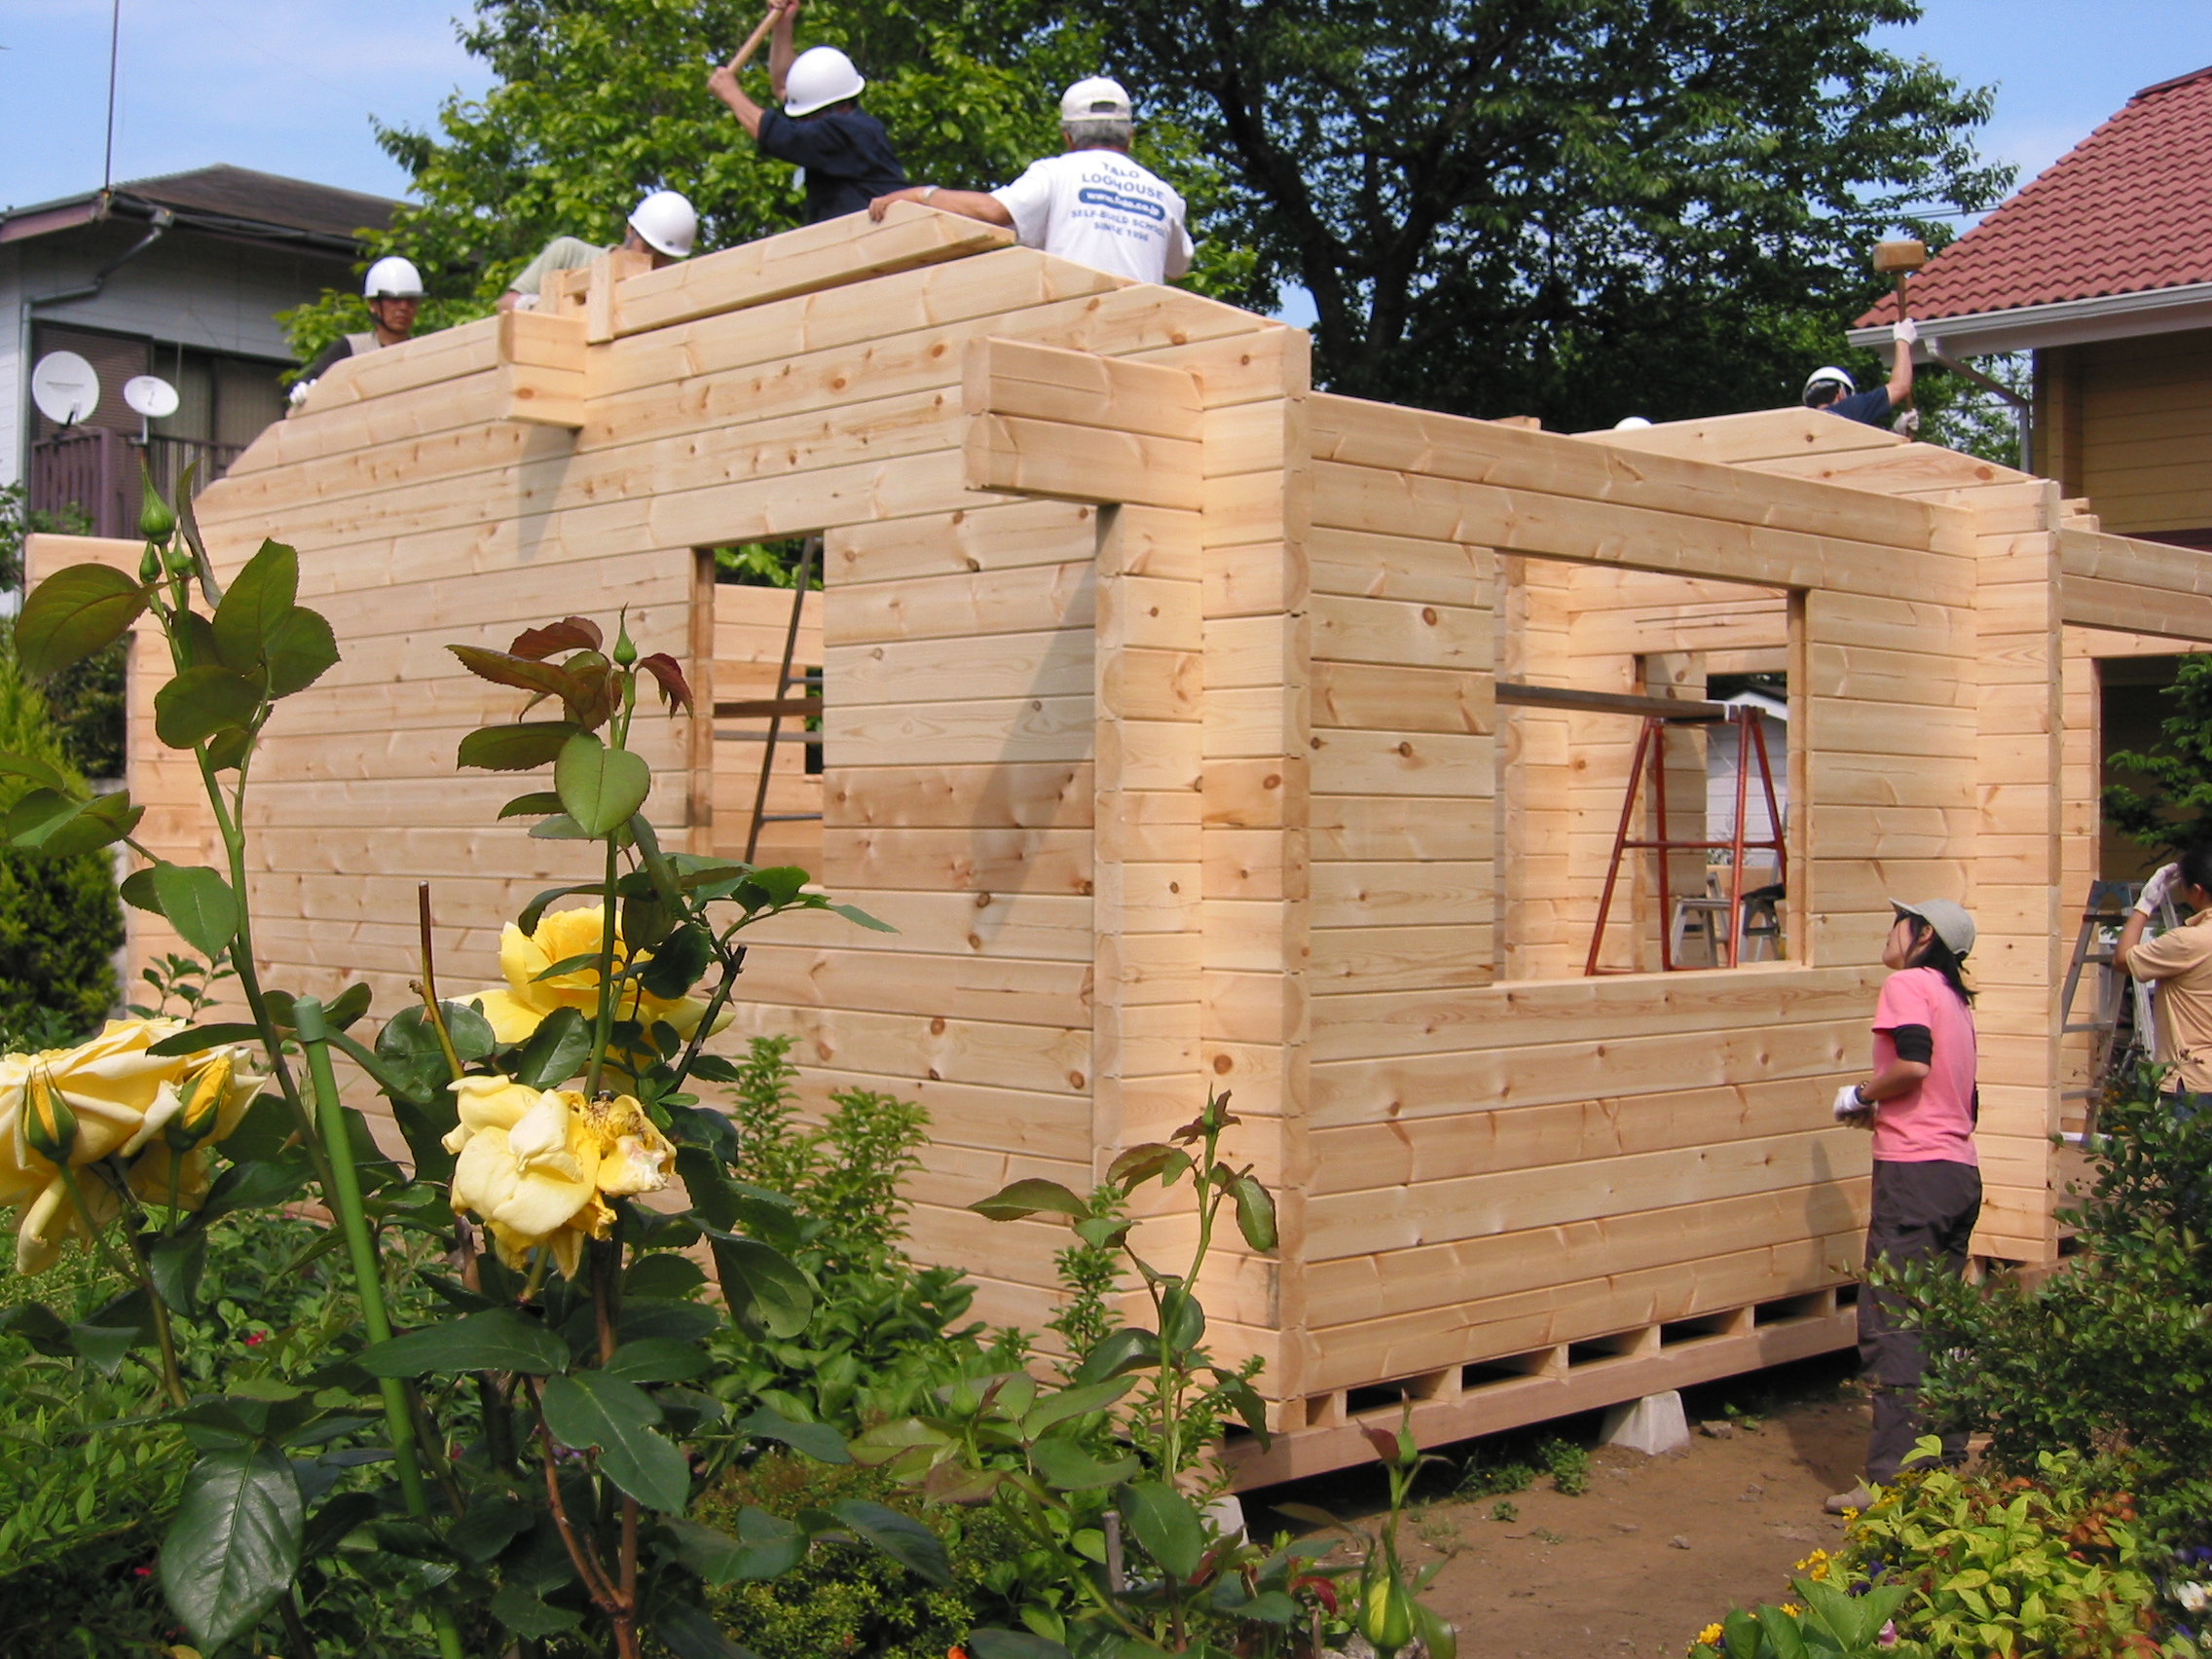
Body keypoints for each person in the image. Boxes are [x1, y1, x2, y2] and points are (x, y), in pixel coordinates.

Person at [1824, 897, 1981, 1515]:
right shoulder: (1956, 1002)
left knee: (1894, 1325)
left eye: (1900, 921)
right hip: (1957, 1175)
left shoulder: (1908, 985)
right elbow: (1963, 1101)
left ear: (1923, 935)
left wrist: (1861, 1094)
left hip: (1914, 1177)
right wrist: (1884, 1112)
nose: (1890, 931)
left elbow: (1913, 1064)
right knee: (1938, 1321)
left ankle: (1890, 1484)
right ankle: (1943, 1463)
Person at [867, 76, 1194, 286]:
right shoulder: (1165, 195)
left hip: (1072, 329)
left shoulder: (1057, 173)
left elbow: (992, 211)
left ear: (1067, 137)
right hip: (1143, 339)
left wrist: (922, 194)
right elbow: (1178, 266)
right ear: (1130, 137)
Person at [707, 2, 906, 223]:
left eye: (806, 116)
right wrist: (782, 25)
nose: (802, 122)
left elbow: (778, 135)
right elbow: (783, 85)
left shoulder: (846, 132)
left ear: (828, 109)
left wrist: (732, 94)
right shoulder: (846, 124)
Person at [497, 190, 698, 313]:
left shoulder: (663, 295)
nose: (651, 260)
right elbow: (505, 305)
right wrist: (543, 306)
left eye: (663, 257)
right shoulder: (570, 254)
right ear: (629, 231)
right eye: (646, 247)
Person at [2114, 846, 2212, 1098]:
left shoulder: (2188, 942)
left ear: (2197, 890)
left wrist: (2144, 905)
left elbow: (2123, 960)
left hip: (2194, 1079)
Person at [289, 256, 424, 408]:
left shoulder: (423, 352)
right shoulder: (351, 347)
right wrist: (303, 388)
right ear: (373, 304)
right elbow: (313, 377)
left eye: (411, 300)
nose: (404, 307)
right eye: (394, 300)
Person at [1805, 316, 1918, 428]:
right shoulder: (1849, 408)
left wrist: (1895, 433)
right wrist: (1903, 341)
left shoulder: (1802, 425)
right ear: (1840, 394)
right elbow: (1900, 386)